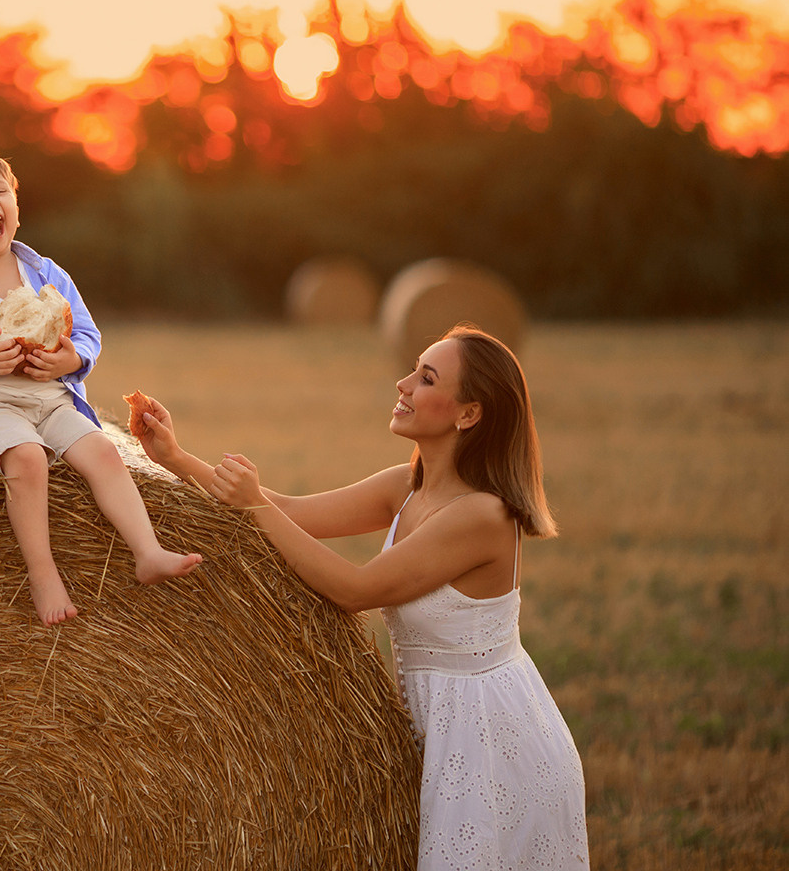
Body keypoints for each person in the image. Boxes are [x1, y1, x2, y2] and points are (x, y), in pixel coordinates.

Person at [136, 324, 589, 869]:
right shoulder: (409, 485)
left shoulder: (482, 515)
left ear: (468, 414)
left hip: (490, 739)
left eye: (425, 378)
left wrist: (256, 505)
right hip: (441, 728)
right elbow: (287, 511)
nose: (402, 383)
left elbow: (354, 590)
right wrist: (175, 458)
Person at [0, 148, 202, 626]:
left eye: (1, 191)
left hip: (50, 397)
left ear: (15, 209)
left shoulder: (48, 274)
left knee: (105, 453)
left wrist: (70, 358)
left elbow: (87, 335)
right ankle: (42, 570)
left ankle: (147, 550)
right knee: (27, 458)